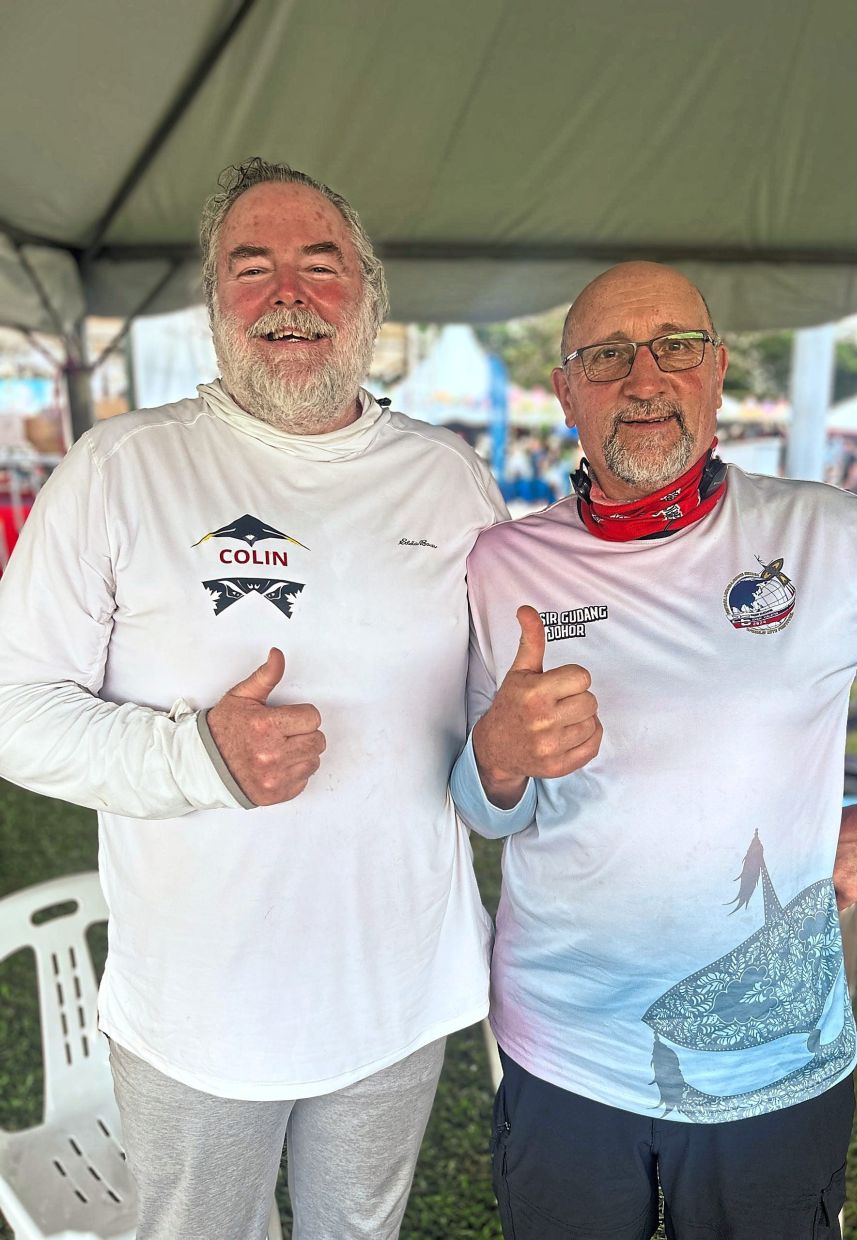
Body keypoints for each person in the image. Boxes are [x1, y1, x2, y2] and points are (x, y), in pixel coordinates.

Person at [0, 158, 507, 1240]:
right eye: (253, 266)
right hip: (200, 1014)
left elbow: (484, 723)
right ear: (214, 302)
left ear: (368, 297)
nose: (289, 292)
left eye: (322, 267)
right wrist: (198, 760)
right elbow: (14, 707)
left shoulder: (450, 479)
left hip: (397, 990)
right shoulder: (120, 470)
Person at [450, 261, 857, 1240]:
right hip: (567, 1046)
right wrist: (496, 754)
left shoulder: (829, 534)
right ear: (567, 390)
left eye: (674, 347)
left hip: (774, 1059)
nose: (644, 377)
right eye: (609, 355)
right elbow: (485, 801)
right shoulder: (504, 565)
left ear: (714, 372)